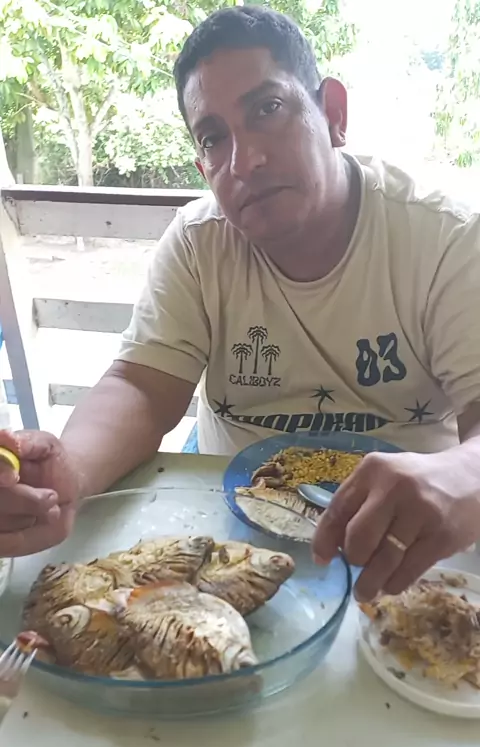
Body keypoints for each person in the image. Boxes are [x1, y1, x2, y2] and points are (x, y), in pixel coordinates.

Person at [2, 5, 480, 602]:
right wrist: (70, 471)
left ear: (333, 114)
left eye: (267, 109)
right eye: (213, 138)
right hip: (228, 536)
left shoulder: (445, 238)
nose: (244, 160)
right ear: (202, 165)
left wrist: (464, 474)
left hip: (408, 539)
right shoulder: (199, 242)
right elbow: (143, 387)